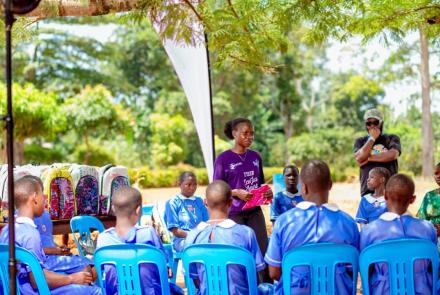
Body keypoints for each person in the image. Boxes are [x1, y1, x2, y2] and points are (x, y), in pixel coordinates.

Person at [265, 160, 359, 294]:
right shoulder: (349, 224)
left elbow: (274, 272)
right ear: (330, 185)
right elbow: (352, 268)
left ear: (303, 187)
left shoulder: (284, 222)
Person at [0, 176, 101, 295]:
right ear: (34, 198)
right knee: (96, 291)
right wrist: (72, 279)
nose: (45, 199)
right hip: (35, 291)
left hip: (15, 289)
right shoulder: (31, 235)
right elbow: (36, 280)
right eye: (42, 194)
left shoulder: (7, 230)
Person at [96, 186, 183, 295]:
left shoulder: (103, 238)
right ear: (138, 210)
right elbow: (164, 268)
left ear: (113, 209)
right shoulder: (148, 233)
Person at [185, 180, 266, 295]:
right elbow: (255, 276)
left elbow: (195, 280)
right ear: (231, 203)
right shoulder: (246, 234)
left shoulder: (192, 237)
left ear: (205, 202)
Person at [360, 174, 437, 295]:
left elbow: (366, 270)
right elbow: (433, 268)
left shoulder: (369, 231)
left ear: (385, 195)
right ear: (412, 199)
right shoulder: (428, 229)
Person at [213, 118, 273, 265]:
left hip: (255, 212)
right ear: (234, 133)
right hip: (234, 214)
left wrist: (267, 193)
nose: (249, 137)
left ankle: (264, 286)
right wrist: (236, 193)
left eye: (252, 133)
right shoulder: (223, 159)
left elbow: (260, 184)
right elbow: (217, 189)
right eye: (245, 133)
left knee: (262, 250)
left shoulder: (255, 157)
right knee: (239, 253)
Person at [353, 108, 401, 196]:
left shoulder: (391, 138)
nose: (372, 126)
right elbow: (359, 158)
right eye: (368, 123)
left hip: (389, 191)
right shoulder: (360, 141)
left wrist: (368, 158)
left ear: (381, 123)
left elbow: (393, 154)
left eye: (375, 122)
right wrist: (372, 138)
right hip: (367, 191)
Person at [164, 171, 209, 252]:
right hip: (182, 240)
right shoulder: (173, 203)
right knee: (196, 249)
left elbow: (207, 223)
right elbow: (175, 230)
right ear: (179, 184)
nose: (192, 187)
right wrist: (194, 237)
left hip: (201, 239)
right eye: (188, 184)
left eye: (195, 184)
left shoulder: (199, 201)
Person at [417, 162, 440, 238]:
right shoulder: (429, 196)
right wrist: (430, 227)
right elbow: (421, 220)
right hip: (432, 237)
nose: (438, 176)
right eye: (436, 173)